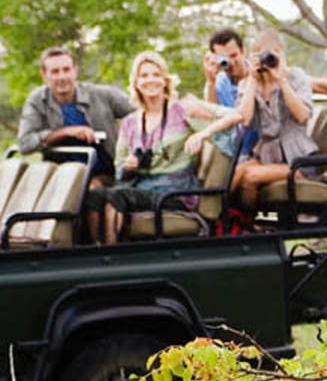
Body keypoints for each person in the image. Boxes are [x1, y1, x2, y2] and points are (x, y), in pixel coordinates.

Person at [91, 51, 235, 244]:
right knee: (94, 197)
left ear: (165, 80)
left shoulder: (182, 110)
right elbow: (119, 171)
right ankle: (96, 251)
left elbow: (235, 116)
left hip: (175, 192)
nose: (150, 80)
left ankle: (110, 258)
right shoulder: (129, 123)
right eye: (144, 75)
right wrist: (129, 167)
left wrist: (203, 133)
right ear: (136, 83)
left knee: (117, 197)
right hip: (141, 187)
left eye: (155, 74)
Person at [229, 30, 321, 213]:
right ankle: (220, 223)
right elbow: (244, 120)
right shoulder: (247, 84)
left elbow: (302, 115)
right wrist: (253, 80)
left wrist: (281, 80)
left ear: (282, 55)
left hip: (298, 160)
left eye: (271, 55)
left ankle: (246, 226)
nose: (267, 61)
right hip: (267, 156)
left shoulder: (296, 77)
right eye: (261, 56)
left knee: (251, 176)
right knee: (235, 173)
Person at [16, 47, 134, 186]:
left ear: (75, 71)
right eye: (55, 72)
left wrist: (126, 136)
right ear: (43, 75)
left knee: (91, 189)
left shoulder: (103, 95)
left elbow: (142, 112)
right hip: (61, 176)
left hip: (106, 173)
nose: (62, 77)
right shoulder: (37, 100)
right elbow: (25, 144)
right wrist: (66, 132)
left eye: (66, 70)